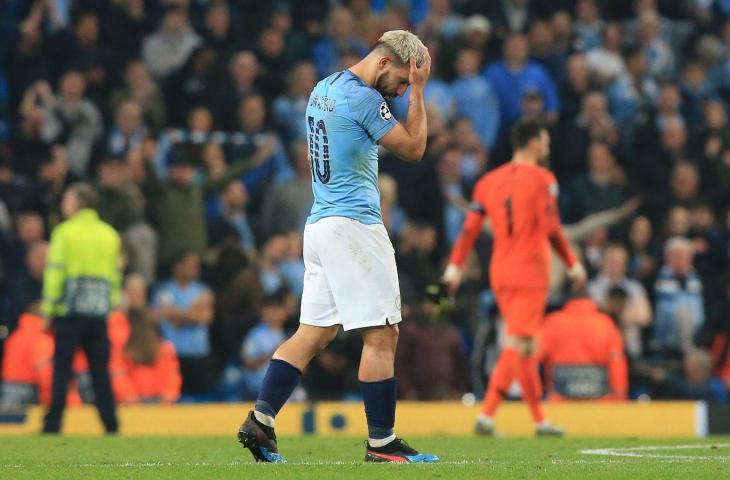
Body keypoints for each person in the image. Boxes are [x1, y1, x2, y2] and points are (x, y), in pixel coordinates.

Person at [237, 30, 438, 464]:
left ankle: (261, 420)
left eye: (408, 86)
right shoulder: (364, 100)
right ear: (385, 63)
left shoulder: (323, 89)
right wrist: (420, 92)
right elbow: (415, 147)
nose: (403, 90)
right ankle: (382, 443)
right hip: (354, 226)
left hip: (320, 225)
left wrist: (408, 86)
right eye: (403, 81)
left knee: (313, 331)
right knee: (383, 332)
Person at [443, 118, 587, 436]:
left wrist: (454, 267)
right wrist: (573, 263)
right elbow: (551, 228)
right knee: (518, 342)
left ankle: (539, 420)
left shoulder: (487, 182)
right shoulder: (544, 179)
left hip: (501, 271)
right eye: (545, 139)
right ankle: (486, 415)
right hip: (531, 272)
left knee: (526, 346)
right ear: (534, 141)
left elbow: (470, 230)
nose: (548, 145)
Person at [41, 183, 121, 434]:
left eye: (67, 199)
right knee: (100, 372)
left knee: (62, 369)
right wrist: (110, 307)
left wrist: (48, 308)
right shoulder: (109, 234)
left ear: (80, 203)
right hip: (98, 313)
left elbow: (55, 272)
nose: (64, 204)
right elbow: (115, 275)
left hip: (70, 311)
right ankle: (111, 425)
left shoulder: (64, 232)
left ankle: (53, 424)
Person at [538, 289, 628, 401]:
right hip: (599, 402)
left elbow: (534, 358)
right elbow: (617, 362)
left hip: (560, 401)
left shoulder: (552, 322)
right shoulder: (605, 323)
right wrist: (620, 396)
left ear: (568, 302)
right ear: (591, 301)